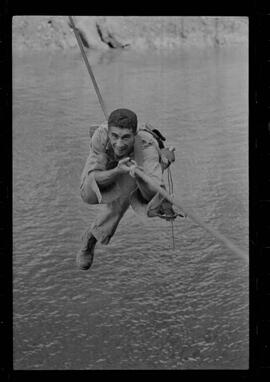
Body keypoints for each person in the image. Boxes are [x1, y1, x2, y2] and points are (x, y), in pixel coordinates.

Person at [77, 108, 182, 270]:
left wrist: (139, 176)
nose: (119, 144)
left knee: (126, 193)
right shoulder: (101, 137)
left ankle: (92, 236)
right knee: (88, 194)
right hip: (108, 156)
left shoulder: (145, 146)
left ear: (135, 135)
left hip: (138, 158)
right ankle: (156, 163)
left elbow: (150, 195)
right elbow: (93, 179)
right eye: (115, 136)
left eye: (126, 137)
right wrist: (117, 171)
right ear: (109, 132)